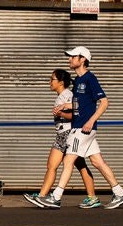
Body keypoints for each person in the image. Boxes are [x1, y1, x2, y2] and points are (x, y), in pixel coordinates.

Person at [36, 47, 123, 210]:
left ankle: (56, 197)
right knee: (97, 161)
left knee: (68, 161)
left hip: (83, 128)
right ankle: (120, 193)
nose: (69, 59)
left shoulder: (89, 78)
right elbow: (80, 103)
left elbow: (104, 102)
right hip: (82, 128)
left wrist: (90, 121)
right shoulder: (78, 81)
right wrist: (68, 105)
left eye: (73, 57)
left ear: (82, 60)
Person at [23, 69, 99, 208]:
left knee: (54, 166)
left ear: (61, 82)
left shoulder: (68, 95)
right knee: (78, 165)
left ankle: (43, 196)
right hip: (62, 134)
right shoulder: (62, 95)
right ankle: (91, 197)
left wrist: (62, 113)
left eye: (52, 79)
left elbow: (77, 115)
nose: (50, 82)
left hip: (68, 133)